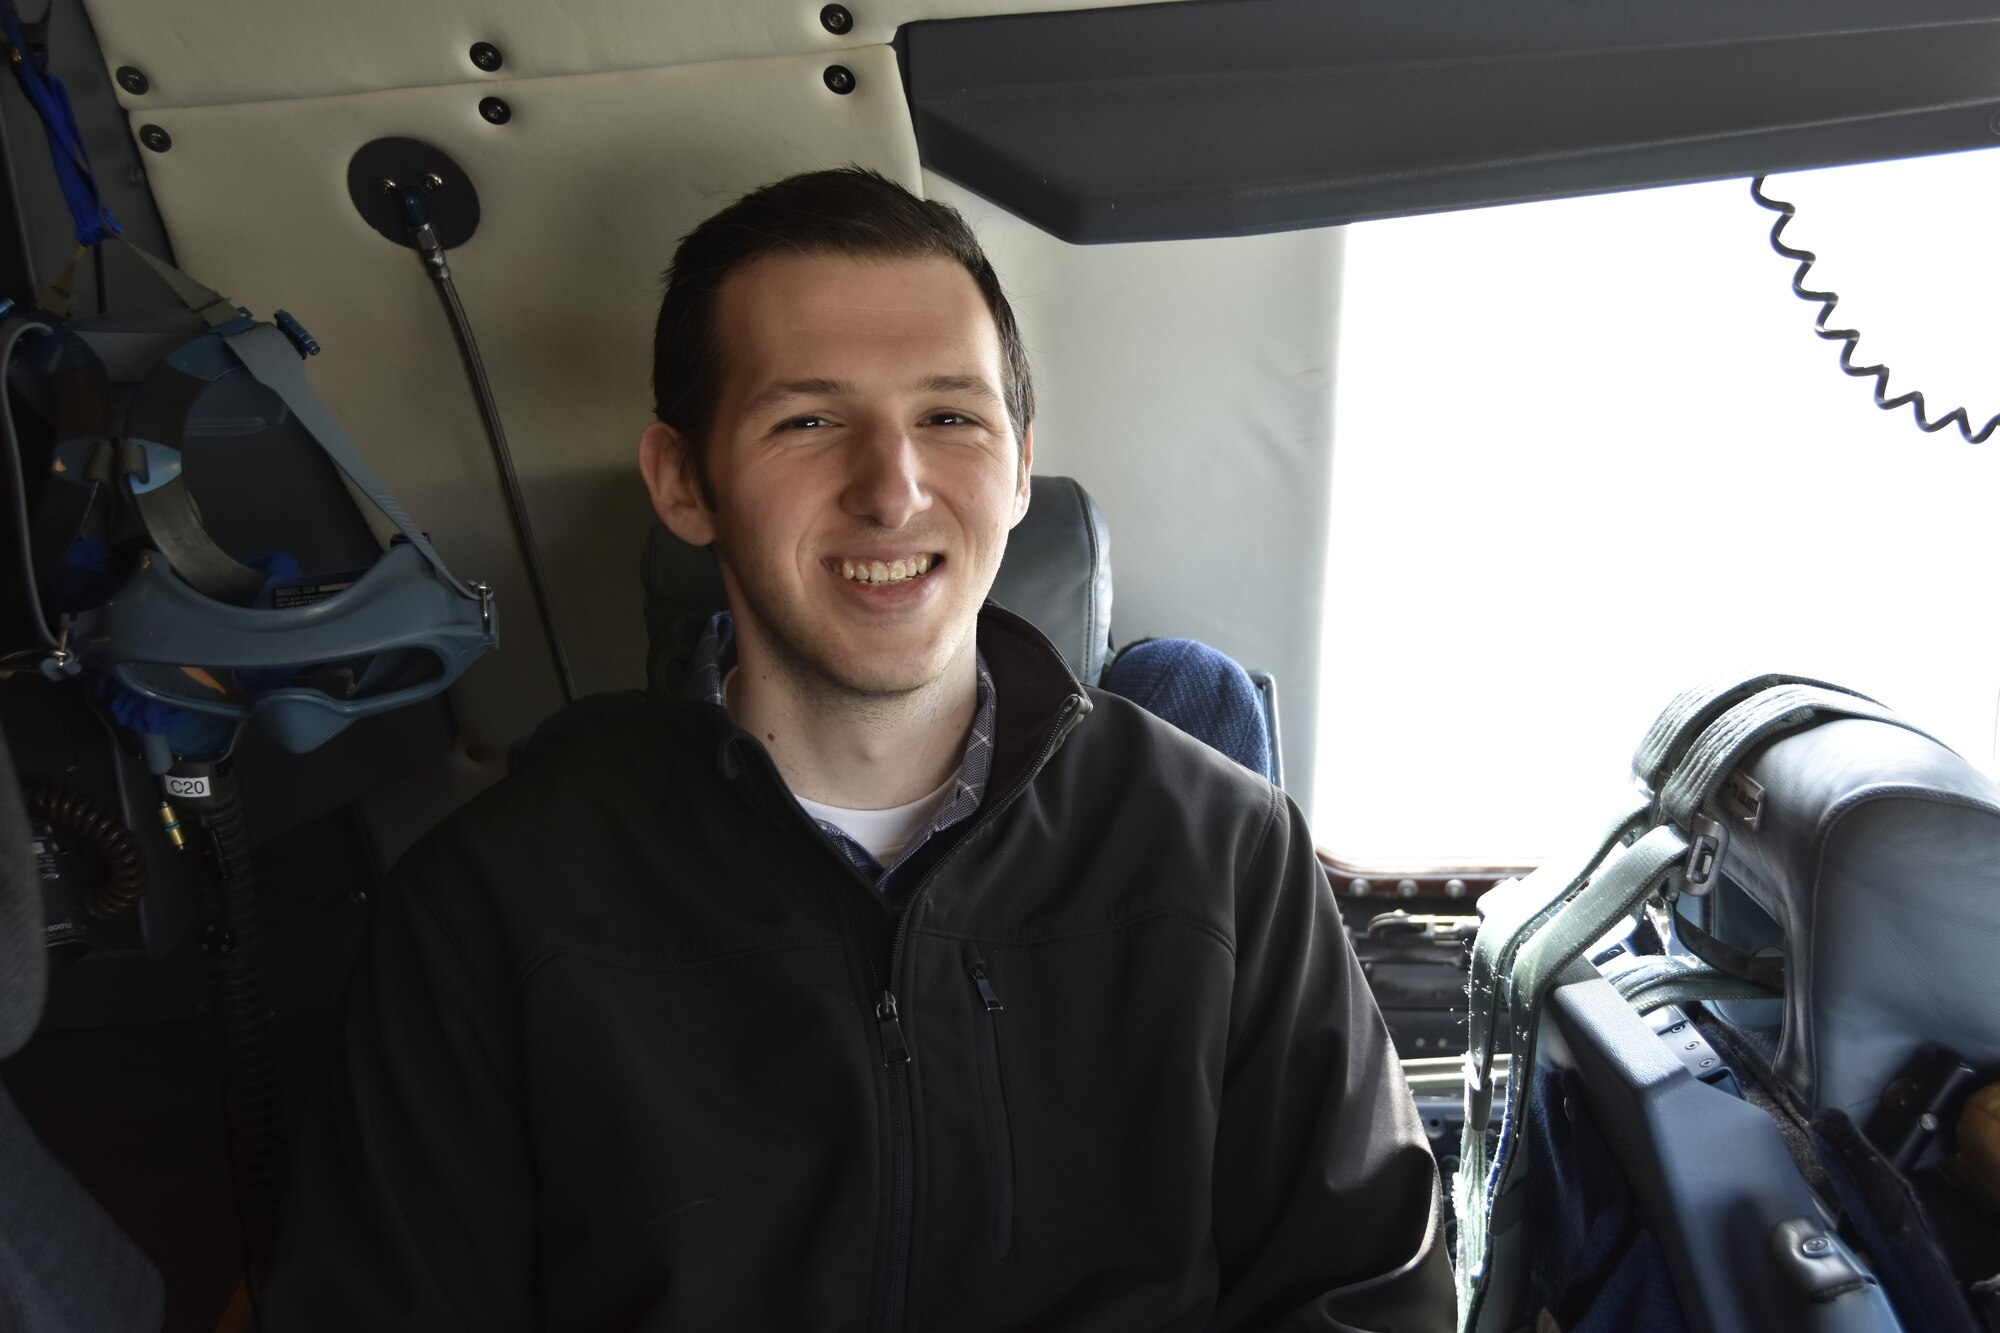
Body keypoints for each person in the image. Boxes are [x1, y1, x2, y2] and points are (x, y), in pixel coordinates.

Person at [264, 167, 1455, 1331]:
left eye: (948, 416)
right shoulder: (487, 907)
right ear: (684, 483)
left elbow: (1360, 1294)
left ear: (1019, 462)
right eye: (809, 420)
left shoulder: (1225, 851)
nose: (891, 491)